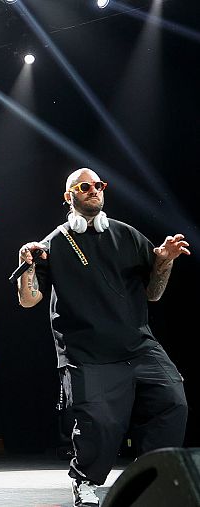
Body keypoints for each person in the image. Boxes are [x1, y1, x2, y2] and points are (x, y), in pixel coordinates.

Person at [16, 168, 189, 507]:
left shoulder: (127, 235)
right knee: (99, 423)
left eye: (98, 185)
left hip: (138, 346)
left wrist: (164, 262)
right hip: (87, 352)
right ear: (69, 196)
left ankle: (149, 477)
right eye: (84, 186)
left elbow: (153, 293)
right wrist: (27, 265)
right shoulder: (53, 243)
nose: (94, 190)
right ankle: (85, 480)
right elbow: (28, 299)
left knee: (173, 401)